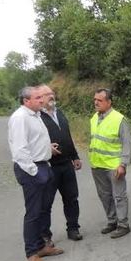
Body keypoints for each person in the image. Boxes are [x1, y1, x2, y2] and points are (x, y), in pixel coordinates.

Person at [8, 86, 65, 261]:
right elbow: (20, 150)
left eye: (42, 96)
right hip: (32, 169)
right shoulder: (20, 118)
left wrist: (48, 149)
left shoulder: (36, 115)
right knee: (33, 213)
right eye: (38, 97)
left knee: (44, 209)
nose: (42, 100)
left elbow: (34, 141)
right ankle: (32, 254)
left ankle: (42, 246)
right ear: (26, 101)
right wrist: (34, 172)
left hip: (43, 165)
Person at [39, 84, 83, 241]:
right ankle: (45, 236)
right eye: (47, 94)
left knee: (71, 198)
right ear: (40, 98)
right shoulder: (37, 117)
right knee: (46, 204)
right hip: (49, 167)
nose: (51, 96)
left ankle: (73, 229)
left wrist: (75, 156)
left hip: (66, 164)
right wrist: (46, 147)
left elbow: (68, 136)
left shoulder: (60, 113)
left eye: (52, 93)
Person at [89, 88, 131, 238]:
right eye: (95, 100)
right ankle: (112, 221)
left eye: (99, 100)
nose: (96, 102)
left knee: (119, 196)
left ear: (109, 102)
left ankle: (123, 224)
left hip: (114, 166)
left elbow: (127, 144)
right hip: (97, 165)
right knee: (104, 195)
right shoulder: (94, 118)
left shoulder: (119, 119)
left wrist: (123, 164)